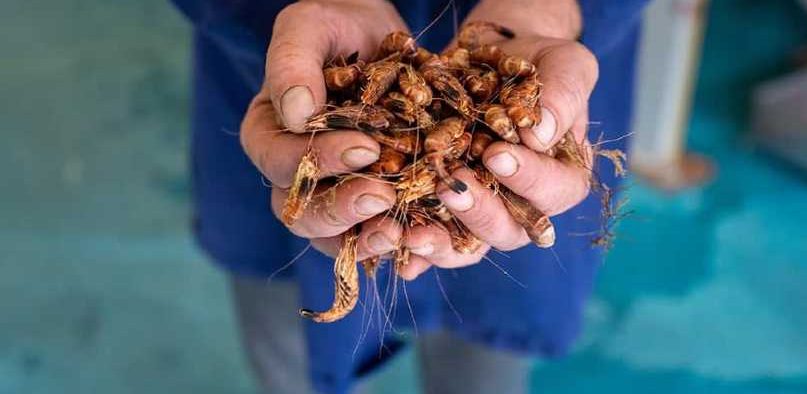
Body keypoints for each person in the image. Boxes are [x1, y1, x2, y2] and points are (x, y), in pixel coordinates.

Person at [170, 1, 648, 393]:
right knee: (291, 344)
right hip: (282, 56)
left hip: (546, 47)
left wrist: (546, 9)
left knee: (486, 359)